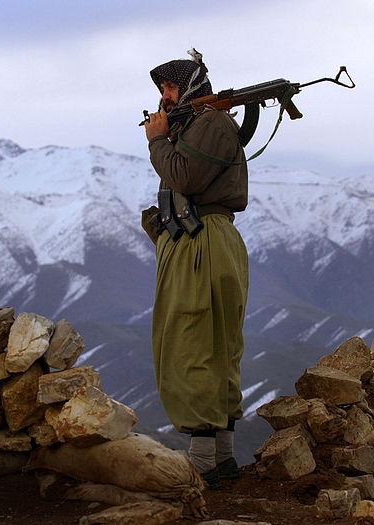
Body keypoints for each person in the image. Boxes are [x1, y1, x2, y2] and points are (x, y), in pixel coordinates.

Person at [141, 50, 249, 489]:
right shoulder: (202, 124)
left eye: (169, 87)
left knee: (193, 340)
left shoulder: (213, 124)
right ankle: (220, 458)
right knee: (213, 342)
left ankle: (202, 460)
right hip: (202, 239)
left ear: (189, 86)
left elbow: (184, 177)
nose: (164, 97)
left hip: (204, 242)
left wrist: (157, 140)